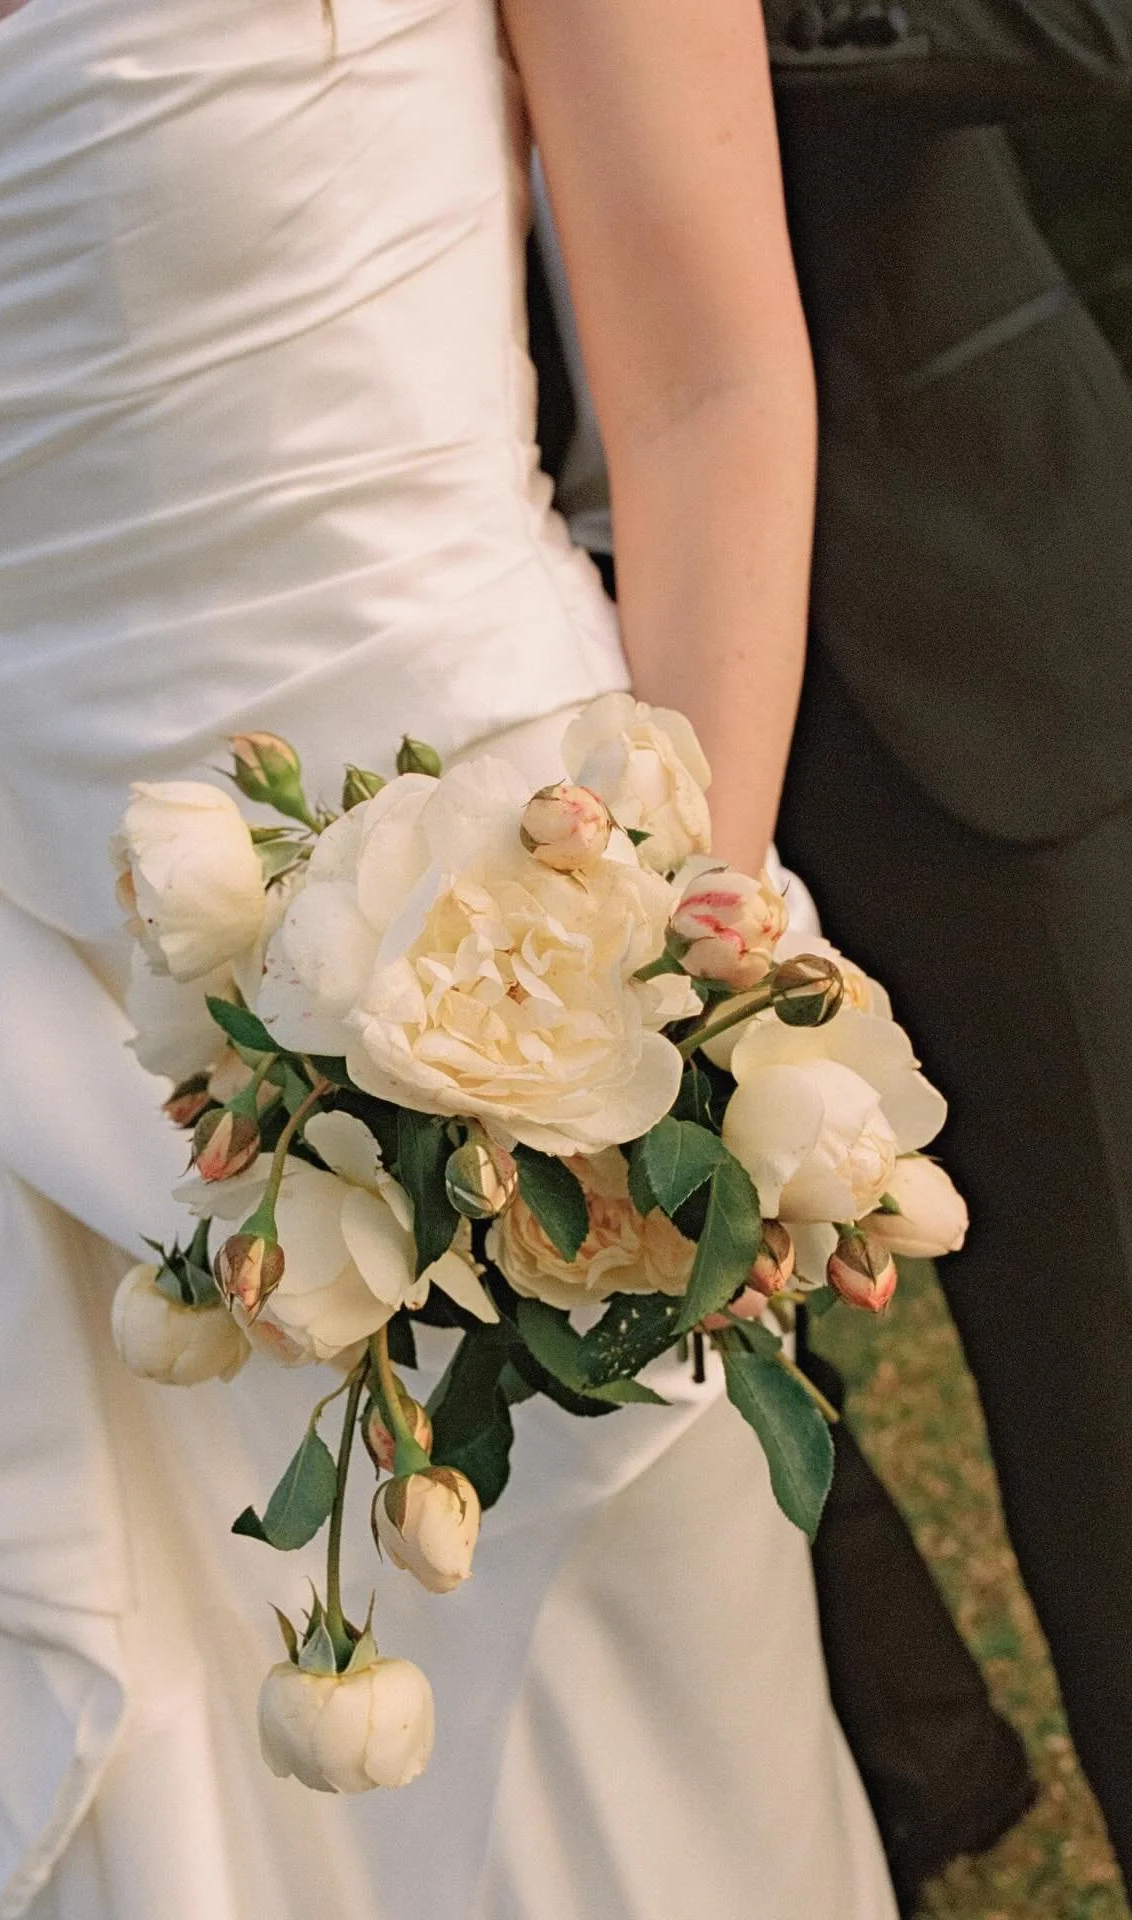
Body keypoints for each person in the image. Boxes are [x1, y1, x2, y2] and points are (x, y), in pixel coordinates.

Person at [0, 0, 904, 1911]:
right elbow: (37, 517)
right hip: (77, 1035)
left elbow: (712, 384)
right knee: (238, 1777)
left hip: (513, 930)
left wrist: (680, 943)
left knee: (646, 1756)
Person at [534, 0, 1132, 1902]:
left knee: (1106, 1375)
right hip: (538, 717)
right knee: (641, 1354)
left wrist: (650, 49)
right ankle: (914, 1769)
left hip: (956, 630)